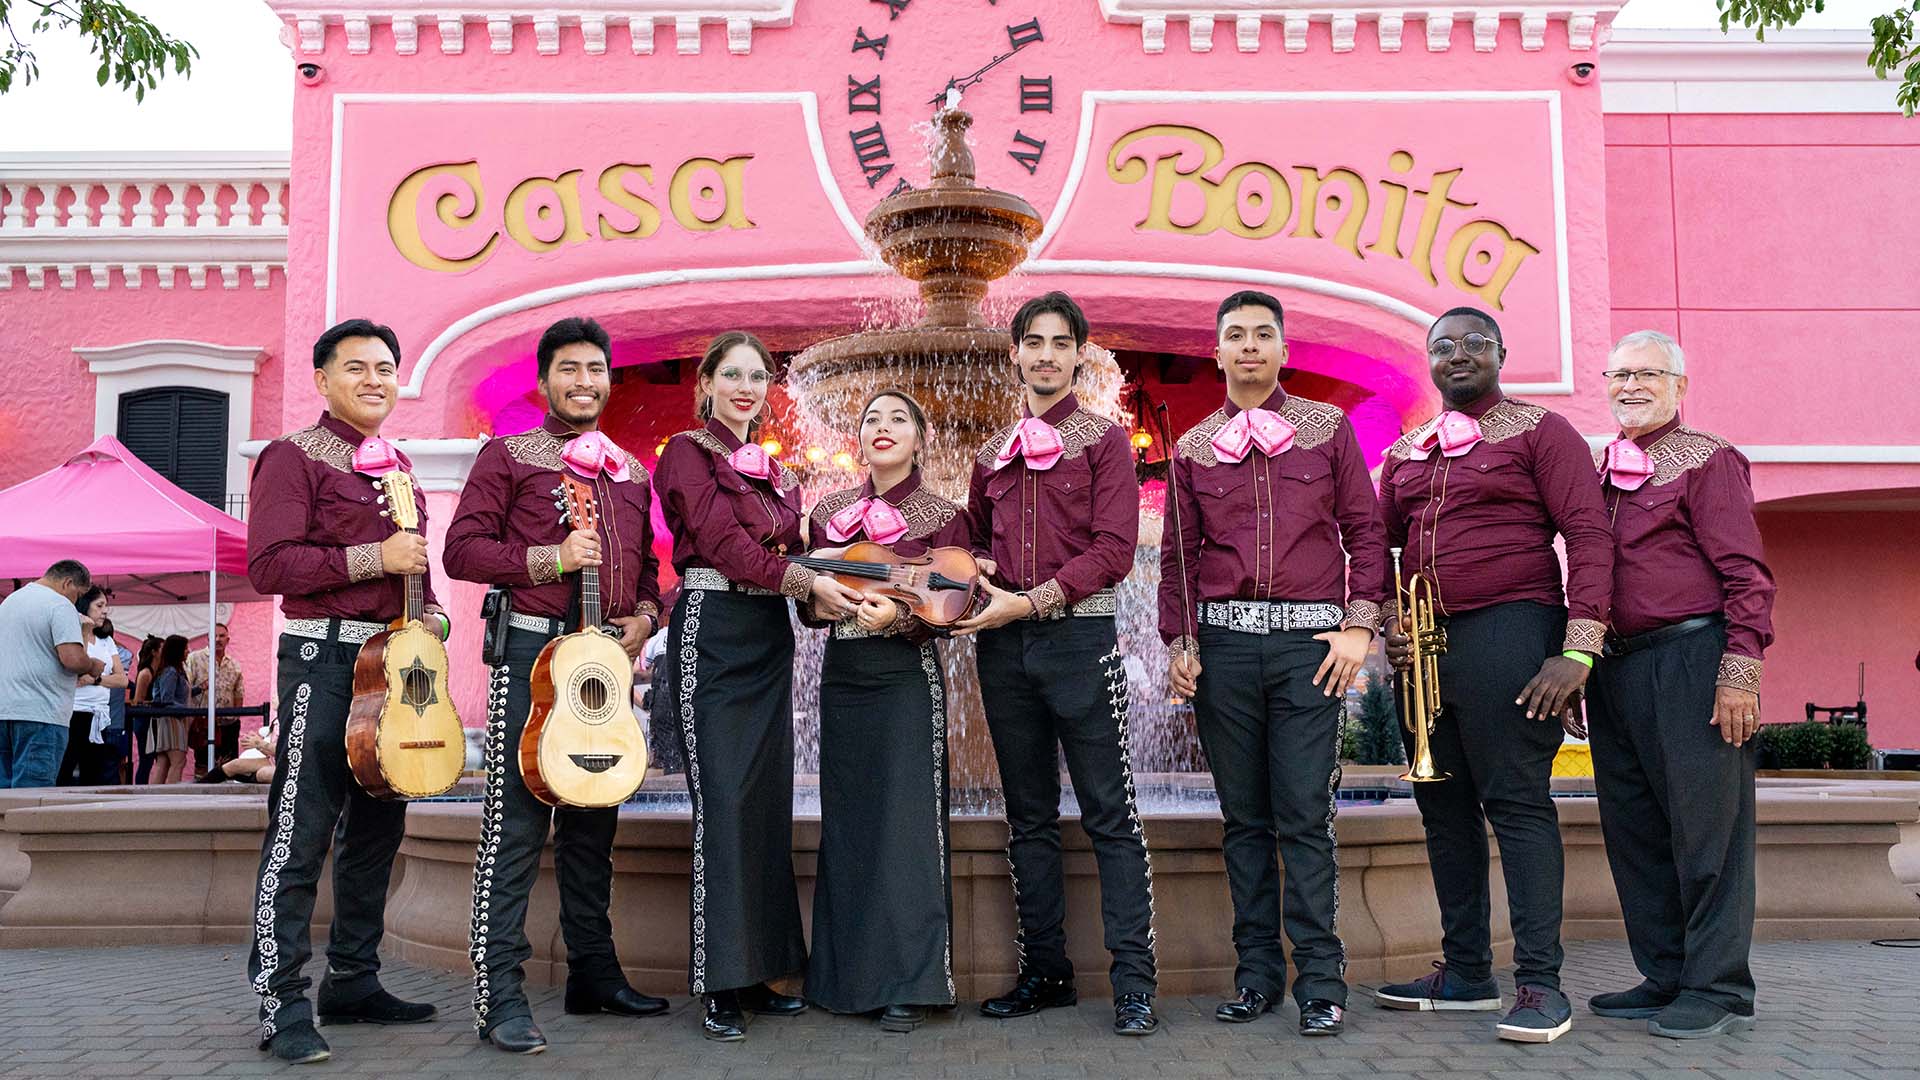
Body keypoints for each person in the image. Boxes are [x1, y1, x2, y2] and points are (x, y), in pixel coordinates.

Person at [1371, 307, 1613, 1043]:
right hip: (1425, 645)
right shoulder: (1408, 450)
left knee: (1517, 803)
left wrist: (1577, 651)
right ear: (1429, 361)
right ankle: (1466, 971)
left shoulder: (1542, 431)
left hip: (1512, 629)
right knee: (1443, 809)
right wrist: (1388, 623)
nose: (1459, 355)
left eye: (1475, 343)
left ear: (1502, 353)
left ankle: (1540, 983)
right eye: (1443, 346)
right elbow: (1375, 544)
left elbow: (1590, 532)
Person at [1159, 291, 1386, 1036]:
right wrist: (1181, 646)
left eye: (1263, 335)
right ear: (1217, 353)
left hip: (1309, 650)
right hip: (1224, 650)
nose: (1249, 346)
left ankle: (1322, 983)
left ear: (1284, 350)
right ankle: (1256, 976)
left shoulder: (1328, 430)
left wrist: (1359, 628)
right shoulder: (1192, 448)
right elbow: (1179, 559)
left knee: (1303, 816)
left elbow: (1364, 527)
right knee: (1244, 821)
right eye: (1235, 336)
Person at [444, 316, 670, 1054]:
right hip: (531, 660)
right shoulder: (507, 456)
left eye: (596, 370)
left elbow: (645, 571)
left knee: (593, 826)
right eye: (569, 369)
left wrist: (644, 614)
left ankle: (594, 975)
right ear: (545, 380)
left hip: (605, 663)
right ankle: (498, 995)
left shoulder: (629, 472)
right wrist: (551, 558)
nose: (584, 382)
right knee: (514, 829)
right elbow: (461, 550)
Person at [954, 291, 1160, 1037]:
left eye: (1058, 342)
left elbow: (1112, 551)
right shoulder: (991, 456)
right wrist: (972, 569)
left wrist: (1029, 601)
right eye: (1031, 342)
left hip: (1079, 640)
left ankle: (1135, 984)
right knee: (1029, 819)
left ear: (1079, 354)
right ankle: (1045, 975)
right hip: (1003, 647)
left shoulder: (1106, 442)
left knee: (1112, 814)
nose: (1044, 354)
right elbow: (976, 539)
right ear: (1016, 353)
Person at [243, 318, 450, 1064]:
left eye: (386, 368)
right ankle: (280, 999)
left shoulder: (396, 467)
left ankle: (354, 982)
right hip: (322, 667)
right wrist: (375, 555)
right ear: (323, 379)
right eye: (356, 367)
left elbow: (412, 574)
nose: (374, 379)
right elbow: (269, 566)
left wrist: (431, 614)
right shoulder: (292, 456)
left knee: (375, 834)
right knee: (300, 833)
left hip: (393, 672)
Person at [653, 331, 864, 1041]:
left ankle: (767, 969)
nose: (747, 387)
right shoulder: (686, 453)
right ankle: (719, 982)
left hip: (768, 637)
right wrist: (809, 578)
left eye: (759, 376)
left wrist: (854, 575)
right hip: (712, 631)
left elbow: (793, 548)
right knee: (724, 801)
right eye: (733, 374)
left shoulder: (776, 474)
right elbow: (723, 545)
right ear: (707, 382)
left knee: (767, 802)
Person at [1583, 330, 1775, 1039]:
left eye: (1647, 374)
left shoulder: (1709, 460)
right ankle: (1665, 973)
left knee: (1708, 833)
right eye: (1619, 374)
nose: (1629, 385)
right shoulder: (1605, 472)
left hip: (1693, 662)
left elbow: (1746, 575)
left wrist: (1740, 672)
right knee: (1636, 830)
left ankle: (1718, 986)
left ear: (1679, 386)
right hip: (1616, 668)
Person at [802, 389, 965, 1033]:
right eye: (871, 418)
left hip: (905, 675)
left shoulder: (944, 516)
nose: (883, 427)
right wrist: (827, 601)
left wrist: (902, 618)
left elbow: (955, 608)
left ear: (920, 439)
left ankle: (910, 982)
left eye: (899, 418)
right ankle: (843, 981)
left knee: (906, 823)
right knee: (847, 819)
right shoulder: (830, 513)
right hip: (843, 673)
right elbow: (806, 605)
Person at [0, 560, 104, 789]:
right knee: (31, 795)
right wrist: (93, 665)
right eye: (78, 594)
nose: (77, 601)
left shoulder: (10, 602)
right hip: (41, 712)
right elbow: (72, 659)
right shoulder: (60, 605)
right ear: (68, 583)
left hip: (4, 709)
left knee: (3, 794)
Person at [61, 588, 130, 785]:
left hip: (100, 714)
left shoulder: (106, 640)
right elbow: (77, 667)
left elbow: (122, 680)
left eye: (106, 606)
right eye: (99, 606)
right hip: (75, 711)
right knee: (66, 768)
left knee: (94, 773)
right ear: (85, 606)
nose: (105, 611)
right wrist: (84, 631)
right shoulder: (71, 636)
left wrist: (96, 679)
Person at [186, 622, 246, 769]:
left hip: (228, 724)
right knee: (203, 764)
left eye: (222, 636)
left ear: (228, 640)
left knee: (229, 765)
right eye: (214, 636)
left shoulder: (234, 664)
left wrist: (235, 717)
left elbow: (239, 693)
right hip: (204, 723)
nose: (218, 639)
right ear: (208, 638)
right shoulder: (195, 659)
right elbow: (185, 689)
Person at [144, 636, 191, 784]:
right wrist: (187, 710)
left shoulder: (171, 670)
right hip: (172, 721)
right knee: (178, 761)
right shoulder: (171, 671)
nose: (188, 651)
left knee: (163, 762)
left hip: (169, 720)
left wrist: (198, 689)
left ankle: (155, 799)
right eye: (185, 648)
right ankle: (172, 796)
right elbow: (166, 700)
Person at [95, 621, 137, 784]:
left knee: (95, 772)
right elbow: (128, 653)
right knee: (112, 770)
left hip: (96, 722)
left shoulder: (91, 654)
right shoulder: (121, 655)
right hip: (115, 722)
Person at [130, 635, 161, 783]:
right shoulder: (146, 673)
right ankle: (140, 787)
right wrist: (155, 703)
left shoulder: (158, 672)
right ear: (155, 652)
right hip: (144, 723)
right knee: (146, 759)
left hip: (153, 722)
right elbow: (138, 701)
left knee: (153, 757)